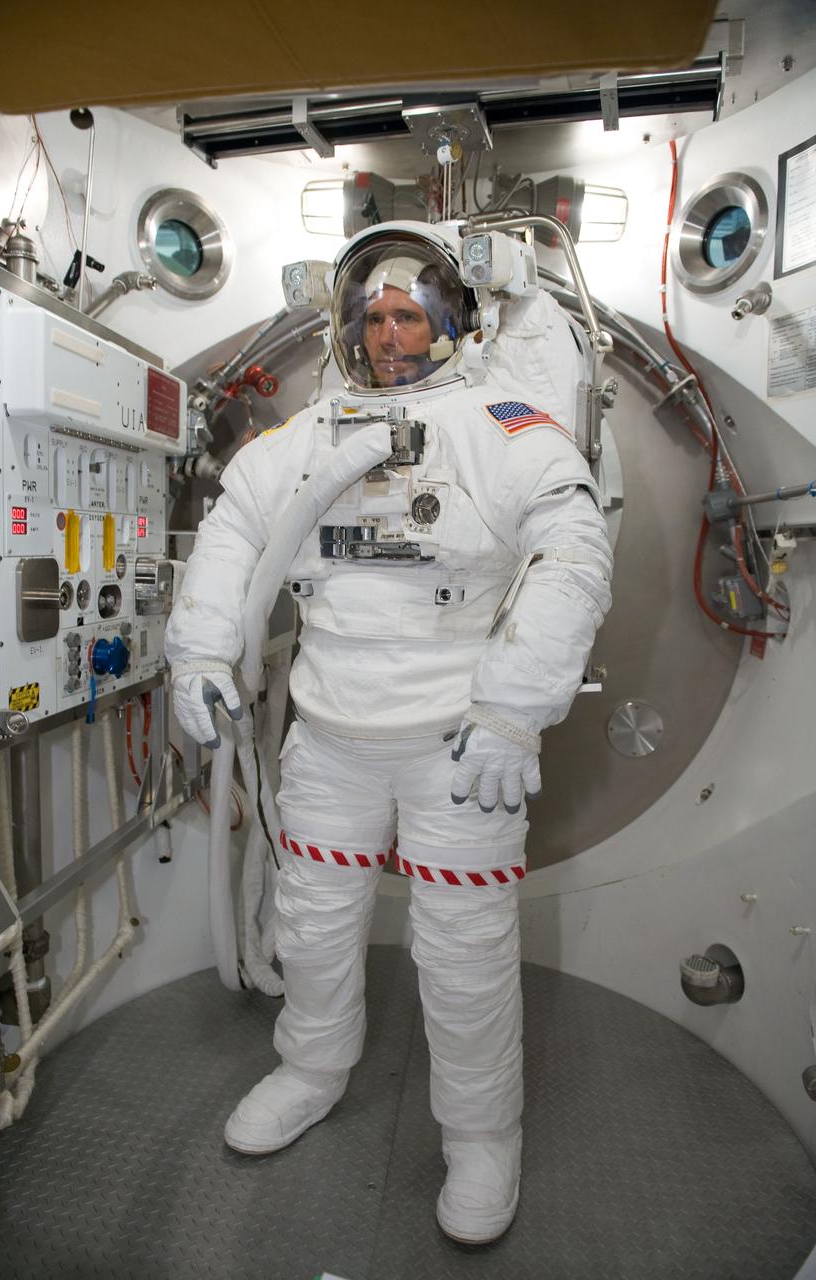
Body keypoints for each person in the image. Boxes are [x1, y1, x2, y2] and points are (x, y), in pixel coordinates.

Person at [166, 222, 612, 1245]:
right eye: (372, 318)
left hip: (461, 748)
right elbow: (234, 532)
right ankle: (312, 1067)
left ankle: (481, 1134)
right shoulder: (306, 437)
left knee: (462, 950)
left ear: (450, 320)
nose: (388, 335)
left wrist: (513, 708)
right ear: (346, 328)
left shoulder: (497, 426)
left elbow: (573, 552)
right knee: (313, 926)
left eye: (408, 314)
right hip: (329, 739)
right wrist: (198, 653)